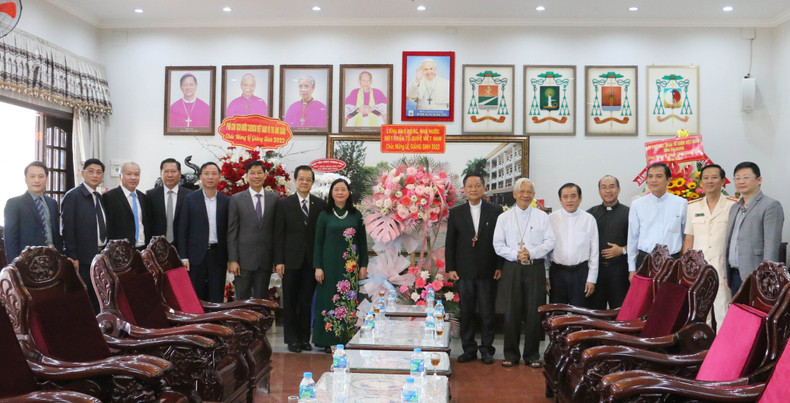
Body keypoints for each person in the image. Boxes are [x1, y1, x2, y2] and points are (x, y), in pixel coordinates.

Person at [493, 178, 555, 368]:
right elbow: (498, 245)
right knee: (511, 311)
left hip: (535, 267)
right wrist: (515, 254)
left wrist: (531, 253)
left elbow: (550, 242)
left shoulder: (542, 216)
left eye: (529, 192)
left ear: (533, 195)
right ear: (515, 194)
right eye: (522, 191)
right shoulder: (504, 217)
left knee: (534, 312)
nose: (525, 195)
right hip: (512, 267)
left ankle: (532, 355)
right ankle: (510, 354)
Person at [446, 173, 502, 365]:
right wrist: (450, 267)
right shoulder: (456, 212)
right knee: (466, 312)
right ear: (464, 189)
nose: (473, 189)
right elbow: (450, 242)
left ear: (484, 188)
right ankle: (468, 349)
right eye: (469, 186)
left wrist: (499, 266)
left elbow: (500, 241)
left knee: (487, 313)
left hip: (488, 270)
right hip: (464, 271)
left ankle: (487, 349)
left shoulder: (495, 211)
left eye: (477, 185)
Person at [274, 165, 326, 353]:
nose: (304, 182)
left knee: (306, 301)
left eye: (308, 179)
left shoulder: (320, 205)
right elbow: (278, 234)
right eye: (301, 178)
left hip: (311, 261)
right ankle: (292, 339)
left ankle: (305, 339)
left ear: (312, 182)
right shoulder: (283, 204)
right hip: (290, 260)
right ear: (294, 181)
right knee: (290, 301)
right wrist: (279, 261)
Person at [313, 178, 368, 353]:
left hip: (349, 266)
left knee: (348, 301)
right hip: (328, 266)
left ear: (349, 192)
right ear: (331, 193)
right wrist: (318, 267)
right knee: (328, 300)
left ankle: (346, 339)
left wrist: (363, 265)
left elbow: (362, 242)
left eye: (343, 189)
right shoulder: (324, 215)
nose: (339, 192)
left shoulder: (356, 215)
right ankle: (327, 339)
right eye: (336, 189)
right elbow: (318, 243)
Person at [682, 164, 737, 328]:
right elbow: (689, 239)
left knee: (723, 311)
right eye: (705, 178)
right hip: (699, 269)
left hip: (722, 268)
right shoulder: (692, 207)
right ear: (700, 182)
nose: (709, 181)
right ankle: (702, 350)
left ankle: (723, 351)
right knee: (700, 313)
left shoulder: (732, 205)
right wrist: (687, 269)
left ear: (722, 181)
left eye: (714, 177)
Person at [726, 161, 785, 296]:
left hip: (756, 274)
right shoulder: (734, 207)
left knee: (755, 315)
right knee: (738, 314)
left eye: (746, 177)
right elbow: (729, 243)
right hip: (733, 274)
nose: (741, 181)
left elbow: (772, 245)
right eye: (738, 178)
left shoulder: (770, 205)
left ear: (759, 180)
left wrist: (766, 277)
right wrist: (726, 274)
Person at [178, 162, 230, 302]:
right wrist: (183, 256)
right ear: (200, 176)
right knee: (195, 296)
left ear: (219, 177)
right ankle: (198, 324)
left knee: (216, 295)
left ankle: (214, 323)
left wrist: (231, 258)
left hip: (218, 255)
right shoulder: (190, 199)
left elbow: (229, 232)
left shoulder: (226, 201)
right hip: (195, 256)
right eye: (206, 173)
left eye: (214, 174)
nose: (210, 177)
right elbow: (183, 229)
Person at [61, 158, 108, 312]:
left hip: (99, 255)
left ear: (102, 176)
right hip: (82, 259)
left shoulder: (99, 196)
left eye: (99, 172)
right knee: (85, 298)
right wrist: (73, 256)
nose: (95, 175)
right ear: (82, 173)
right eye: (91, 171)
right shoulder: (73, 196)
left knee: (99, 296)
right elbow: (67, 229)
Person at [227, 160, 278, 300]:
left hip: (265, 260)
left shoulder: (274, 199)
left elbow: (276, 232)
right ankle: (241, 323)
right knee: (241, 299)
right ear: (247, 176)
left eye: (259, 173)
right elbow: (232, 231)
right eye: (252, 173)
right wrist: (233, 259)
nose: (256, 176)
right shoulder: (236, 199)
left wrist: (276, 259)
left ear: (265, 175)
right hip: (243, 261)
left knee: (261, 300)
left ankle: (259, 323)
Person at [627, 162, 687, 278]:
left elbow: (685, 235)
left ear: (668, 180)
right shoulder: (637, 205)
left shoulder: (681, 203)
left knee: (671, 296)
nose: (653, 180)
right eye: (650, 176)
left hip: (672, 261)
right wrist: (632, 269)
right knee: (646, 296)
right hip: (645, 260)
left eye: (659, 176)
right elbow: (632, 238)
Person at [548, 183, 598, 307]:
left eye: (573, 196)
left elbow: (594, 252)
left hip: (580, 274)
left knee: (580, 314)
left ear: (580, 198)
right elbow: (546, 250)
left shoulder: (589, 219)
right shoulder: (550, 219)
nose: (569, 200)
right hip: (557, 273)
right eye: (565, 197)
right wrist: (546, 275)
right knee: (557, 314)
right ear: (560, 199)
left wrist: (592, 279)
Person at [3, 161, 63, 263]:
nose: (37, 180)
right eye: (32, 176)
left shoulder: (52, 203)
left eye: (41, 176)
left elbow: (55, 234)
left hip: (52, 259)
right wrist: (14, 265)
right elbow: (10, 239)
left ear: (46, 179)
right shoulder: (14, 203)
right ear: (26, 179)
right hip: (27, 261)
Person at [587, 175, 630, 309]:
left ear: (618, 189)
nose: (608, 191)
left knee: (620, 313)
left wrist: (622, 250)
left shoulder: (629, 213)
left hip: (620, 272)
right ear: (599, 191)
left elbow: (639, 242)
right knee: (595, 313)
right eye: (603, 187)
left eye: (612, 186)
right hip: (596, 272)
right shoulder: (590, 215)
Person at [146, 158, 192, 245]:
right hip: (157, 246)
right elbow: (148, 223)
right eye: (166, 171)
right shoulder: (151, 195)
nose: (169, 175)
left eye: (173, 171)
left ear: (179, 174)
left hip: (182, 245)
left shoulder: (189, 195)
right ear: (161, 174)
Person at [103, 162, 148, 249]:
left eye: (136, 174)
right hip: (120, 250)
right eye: (128, 174)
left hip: (142, 248)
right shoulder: (109, 197)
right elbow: (108, 227)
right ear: (120, 176)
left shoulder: (143, 197)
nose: (133, 177)